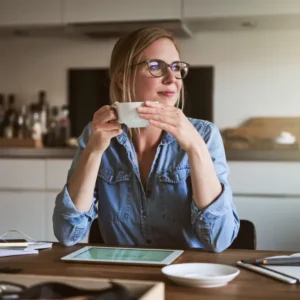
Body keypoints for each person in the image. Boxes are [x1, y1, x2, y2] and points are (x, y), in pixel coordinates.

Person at [53, 27, 240, 252]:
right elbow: (67, 233)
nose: (172, 79)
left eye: (176, 67)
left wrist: (195, 147)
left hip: (187, 276)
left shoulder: (204, 135)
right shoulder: (95, 135)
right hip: (123, 277)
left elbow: (219, 240)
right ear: (122, 79)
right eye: (155, 67)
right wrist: (93, 152)